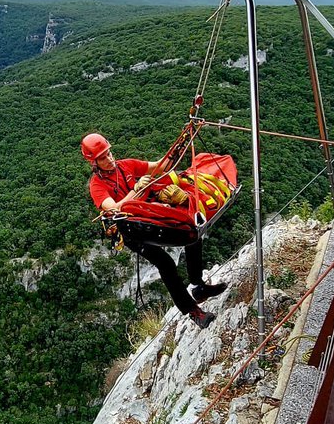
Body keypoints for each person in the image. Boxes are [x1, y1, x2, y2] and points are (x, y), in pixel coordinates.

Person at [81, 133, 227, 328]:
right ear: (94, 163)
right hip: (131, 230)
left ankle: (198, 286)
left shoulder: (126, 165)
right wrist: (136, 190)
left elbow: (161, 166)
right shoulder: (97, 185)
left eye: (109, 153)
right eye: (103, 158)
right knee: (165, 262)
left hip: (149, 217)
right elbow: (114, 208)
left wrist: (180, 144)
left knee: (192, 232)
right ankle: (193, 311)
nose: (109, 159)